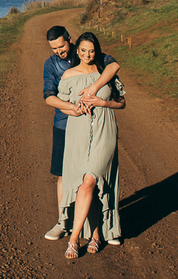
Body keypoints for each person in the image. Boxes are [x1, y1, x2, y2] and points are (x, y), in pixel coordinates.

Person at [42, 26, 121, 240]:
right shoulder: (51, 64)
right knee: (63, 175)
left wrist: (93, 88)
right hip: (64, 124)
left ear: (70, 40)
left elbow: (113, 66)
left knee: (95, 174)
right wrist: (72, 108)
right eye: (54, 48)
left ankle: (103, 225)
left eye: (61, 46)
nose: (58, 51)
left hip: (96, 125)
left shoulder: (89, 52)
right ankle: (62, 222)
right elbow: (49, 96)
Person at [58, 31, 125, 259]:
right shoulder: (68, 74)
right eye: (83, 50)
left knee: (91, 180)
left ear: (97, 51)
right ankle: (96, 234)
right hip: (77, 131)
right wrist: (75, 109)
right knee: (85, 185)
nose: (87, 54)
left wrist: (101, 101)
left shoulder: (103, 73)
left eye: (92, 50)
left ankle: (73, 239)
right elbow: (62, 105)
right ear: (77, 51)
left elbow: (122, 102)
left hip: (105, 129)